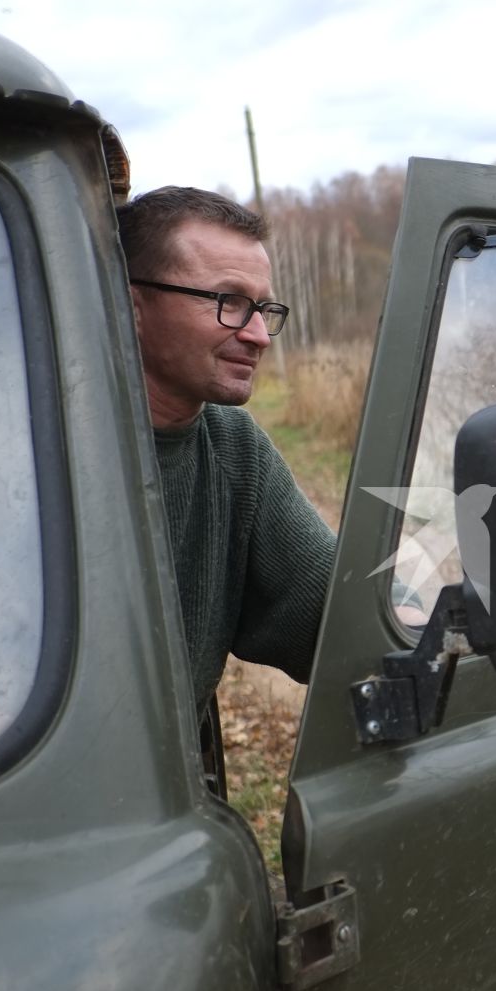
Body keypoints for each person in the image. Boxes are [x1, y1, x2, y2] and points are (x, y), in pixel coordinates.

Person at [116, 187, 335, 734]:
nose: (259, 335)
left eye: (264, 309)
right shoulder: (33, 447)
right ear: (131, 306)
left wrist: (413, 622)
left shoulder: (232, 445)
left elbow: (332, 604)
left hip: (166, 801)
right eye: (229, 301)